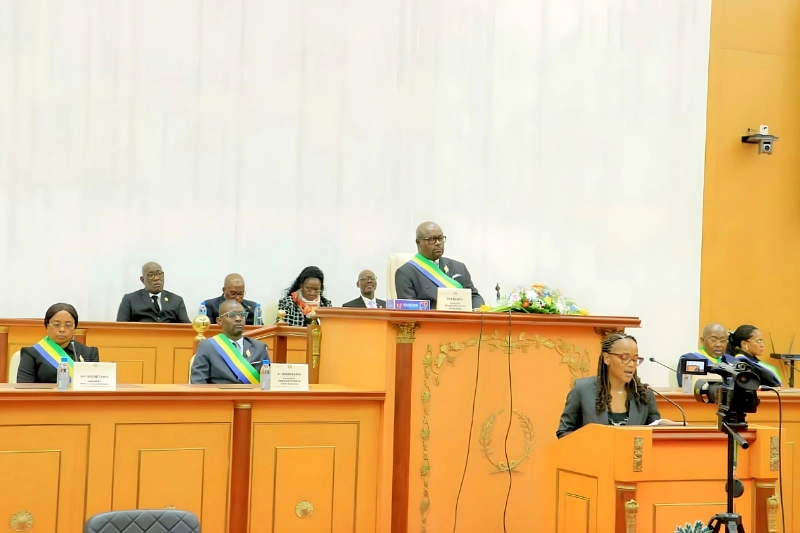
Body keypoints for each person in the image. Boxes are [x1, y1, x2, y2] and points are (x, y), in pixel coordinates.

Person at [557, 333, 663, 439]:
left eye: (635, 359)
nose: (631, 364)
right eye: (625, 358)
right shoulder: (582, 390)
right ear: (606, 358)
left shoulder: (645, 395)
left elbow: (655, 436)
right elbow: (564, 432)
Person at [394, 221, 484, 309]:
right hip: (431, 322)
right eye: (432, 239)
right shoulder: (405, 273)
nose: (438, 243)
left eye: (440, 238)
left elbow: (475, 297)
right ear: (418, 242)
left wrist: (476, 310)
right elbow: (409, 311)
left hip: (461, 322)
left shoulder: (459, 267)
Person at [17, 303, 100, 383]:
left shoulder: (89, 353)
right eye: (56, 324)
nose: (62, 329)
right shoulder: (31, 354)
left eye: (68, 325)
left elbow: (96, 386)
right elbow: (24, 389)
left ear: (75, 327)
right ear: (47, 326)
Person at [190, 300, 269, 384]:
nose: (238, 319)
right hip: (220, 396)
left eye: (242, 315)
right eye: (232, 315)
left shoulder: (259, 348)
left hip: (251, 396)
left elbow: (268, 381)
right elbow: (198, 382)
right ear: (219, 321)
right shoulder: (207, 347)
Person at [116, 262, 190, 323]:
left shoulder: (176, 300)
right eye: (151, 275)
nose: (156, 278)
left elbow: (187, 328)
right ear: (143, 280)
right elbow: (120, 328)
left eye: (159, 274)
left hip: (169, 338)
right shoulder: (130, 300)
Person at [676, 322, 731, 386]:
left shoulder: (732, 361)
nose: (719, 345)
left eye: (723, 341)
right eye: (713, 340)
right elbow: (688, 388)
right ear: (702, 340)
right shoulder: (691, 360)